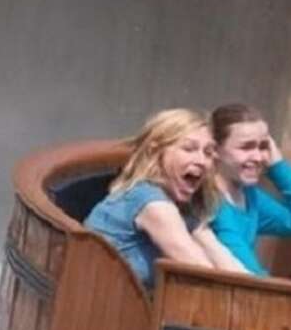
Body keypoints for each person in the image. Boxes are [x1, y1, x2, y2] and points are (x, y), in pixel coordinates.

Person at [84, 108, 247, 289]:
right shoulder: (150, 201)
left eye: (208, 153)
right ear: (156, 152)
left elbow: (230, 267)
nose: (201, 160)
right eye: (189, 149)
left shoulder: (183, 209)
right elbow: (203, 276)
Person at [209, 103, 291, 276]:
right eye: (246, 147)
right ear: (215, 150)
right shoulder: (210, 200)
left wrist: (278, 166)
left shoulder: (251, 197)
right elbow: (248, 271)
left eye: (263, 146)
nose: (257, 157)